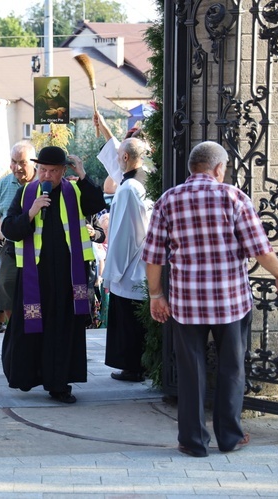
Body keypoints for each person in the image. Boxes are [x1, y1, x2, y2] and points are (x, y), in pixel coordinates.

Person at [142, 141, 278, 457]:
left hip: (186, 303)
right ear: (219, 168)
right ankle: (230, 437)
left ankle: (193, 441)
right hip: (230, 302)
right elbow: (260, 249)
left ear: (192, 168)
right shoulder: (234, 198)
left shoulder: (168, 201)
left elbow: (154, 256)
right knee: (232, 368)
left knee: (191, 370)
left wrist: (157, 295)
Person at [1, 146, 106, 403]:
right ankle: (26, 377)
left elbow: (97, 204)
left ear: (63, 171)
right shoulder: (27, 193)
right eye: (43, 170)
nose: (47, 176)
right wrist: (32, 212)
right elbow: (9, 229)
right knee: (30, 329)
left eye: (53, 171)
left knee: (62, 330)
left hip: (69, 277)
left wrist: (82, 173)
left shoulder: (76, 191)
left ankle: (59, 384)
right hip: (35, 276)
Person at [95, 112, 152, 382]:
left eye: (120, 155)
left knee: (129, 324)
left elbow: (124, 235)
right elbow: (119, 161)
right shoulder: (144, 180)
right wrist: (106, 130)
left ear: (126, 158)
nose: (117, 158)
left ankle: (133, 367)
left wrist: (112, 272)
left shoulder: (129, 190)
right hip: (139, 265)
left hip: (129, 266)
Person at [0, 141, 37, 324]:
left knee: (34, 291)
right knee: (5, 284)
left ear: (34, 162)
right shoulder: (4, 184)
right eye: (13, 162)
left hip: (37, 247)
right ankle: (14, 327)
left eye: (22, 162)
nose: (17, 167)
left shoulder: (43, 183)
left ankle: (33, 329)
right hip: (11, 247)